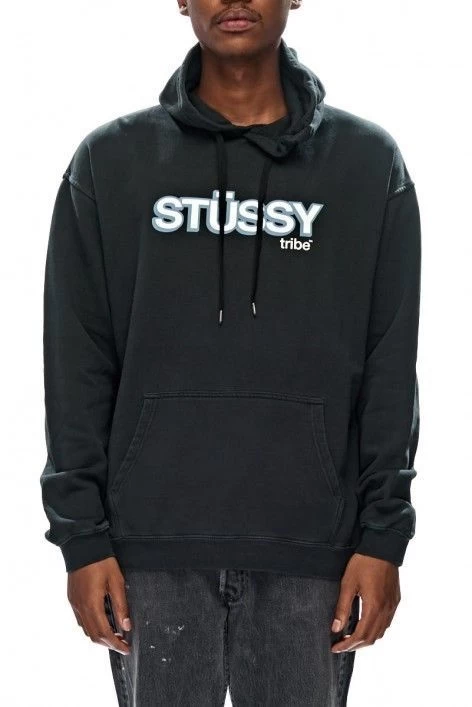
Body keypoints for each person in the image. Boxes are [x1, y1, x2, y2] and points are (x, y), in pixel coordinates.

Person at [40, 1, 421, 705]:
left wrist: (383, 535)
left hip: (314, 549)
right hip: (150, 547)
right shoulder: (111, 162)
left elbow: (390, 362)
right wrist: (82, 538)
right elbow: (77, 361)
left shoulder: (368, 164)